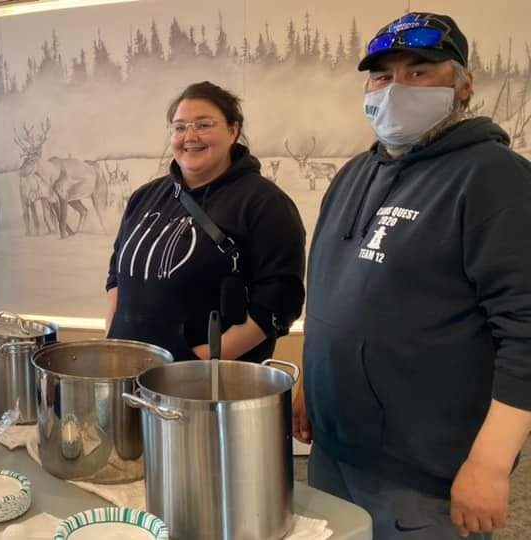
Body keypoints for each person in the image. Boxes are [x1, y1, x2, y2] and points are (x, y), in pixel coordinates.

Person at [296, 12, 531, 539]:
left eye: (420, 71)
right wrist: (312, 379)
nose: (396, 88)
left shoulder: (495, 179)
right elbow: (334, 292)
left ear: (463, 85)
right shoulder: (356, 173)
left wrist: (491, 465)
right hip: (334, 453)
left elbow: (525, 331)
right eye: (382, 76)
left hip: (423, 481)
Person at [105, 82, 306, 361]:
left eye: (203, 125)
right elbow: (116, 276)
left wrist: (200, 362)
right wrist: (112, 340)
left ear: (233, 130)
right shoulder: (144, 197)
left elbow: (279, 303)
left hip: (209, 387)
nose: (190, 136)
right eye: (179, 127)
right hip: (129, 375)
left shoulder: (265, 204)